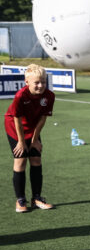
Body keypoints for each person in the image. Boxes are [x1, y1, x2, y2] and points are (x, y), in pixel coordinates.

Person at [4, 64, 55, 213]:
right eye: (37, 83)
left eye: (43, 82)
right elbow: (17, 120)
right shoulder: (20, 96)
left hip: (33, 127)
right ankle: (20, 200)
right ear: (27, 82)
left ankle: (37, 198)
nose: (41, 86)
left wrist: (35, 140)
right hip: (15, 127)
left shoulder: (49, 96)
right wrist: (21, 142)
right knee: (21, 160)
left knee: (36, 159)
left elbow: (43, 119)